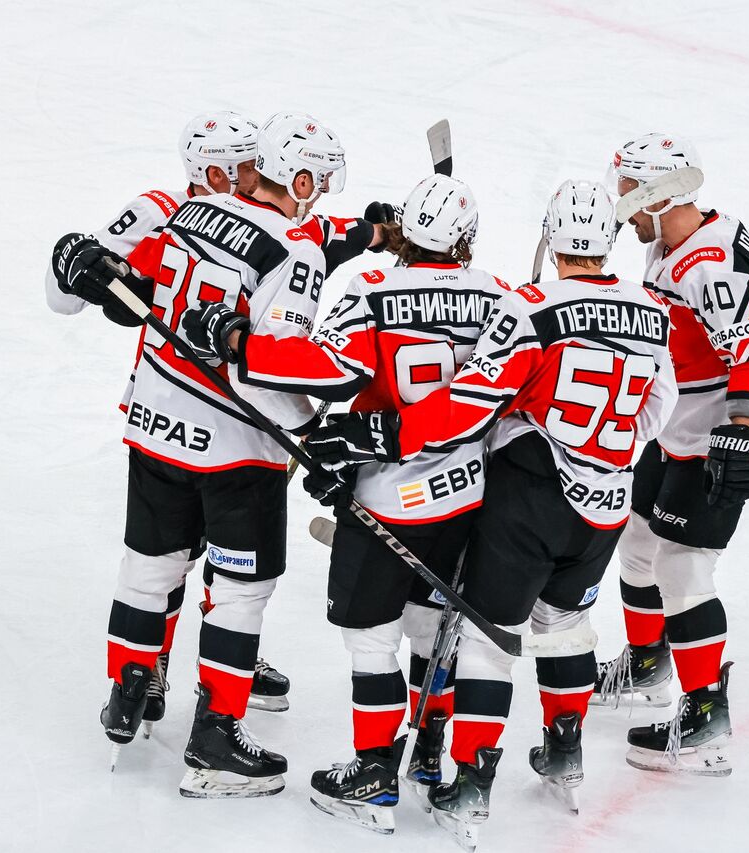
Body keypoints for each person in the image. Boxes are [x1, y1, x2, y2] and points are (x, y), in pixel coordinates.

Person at [304, 180, 676, 844]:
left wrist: (380, 435)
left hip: (528, 499)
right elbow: (656, 410)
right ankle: (564, 751)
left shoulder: (530, 306)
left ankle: (471, 782)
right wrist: (603, 449)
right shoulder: (652, 311)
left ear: (551, 237)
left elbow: (470, 403)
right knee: (566, 624)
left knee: (485, 637)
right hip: (606, 506)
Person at [182, 174, 509, 833]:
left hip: (388, 495)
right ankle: (428, 754)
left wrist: (238, 341)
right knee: (433, 628)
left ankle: (373, 773)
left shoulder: (372, 289)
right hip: (466, 494)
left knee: (371, 638)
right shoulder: (500, 295)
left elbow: (326, 368)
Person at [51, 111, 347, 797]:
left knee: (148, 570)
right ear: (300, 180)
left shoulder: (189, 214)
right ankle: (214, 737)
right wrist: (313, 436)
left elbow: (141, 294)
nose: (322, 196)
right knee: (241, 591)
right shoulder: (293, 250)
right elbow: (267, 370)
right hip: (236, 453)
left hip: (154, 428)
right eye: (321, 181)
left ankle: (128, 693)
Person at [593, 133, 749, 777]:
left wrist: (740, 431)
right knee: (636, 538)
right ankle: (648, 664)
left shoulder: (711, 262)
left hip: (720, 436)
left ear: (660, 192)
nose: (622, 203)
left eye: (630, 190)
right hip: (678, 428)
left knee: (682, 566)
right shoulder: (669, 244)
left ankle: (706, 717)